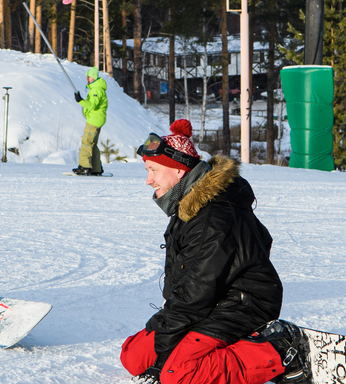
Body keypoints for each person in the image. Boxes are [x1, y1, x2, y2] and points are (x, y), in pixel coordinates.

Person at [120, 120, 308, 384]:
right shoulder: (189, 205)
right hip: (207, 302)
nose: (148, 180)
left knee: (179, 374)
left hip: (241, 304)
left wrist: (164, 358)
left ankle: (283, 350)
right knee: (133, 356)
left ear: (178, 171)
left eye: (153, 170)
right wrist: (163, 334)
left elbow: (196, 293)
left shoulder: (212, 215)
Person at [73, 66, 108, 175]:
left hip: (94, 120)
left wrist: (80, 101)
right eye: (87, 77)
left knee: (86, 142)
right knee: (93, 144)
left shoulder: (96, 90)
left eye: (89, 77)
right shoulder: (96, 89)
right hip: (96, 119)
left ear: (95, 77)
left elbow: (92, 105)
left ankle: (85, 166)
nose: (87, 79)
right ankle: (96, 168)